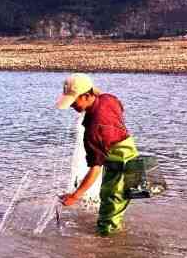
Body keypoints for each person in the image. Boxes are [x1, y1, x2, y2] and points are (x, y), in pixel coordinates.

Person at [56, 73, 138, 236]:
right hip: (130, 154)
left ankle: (108, 244)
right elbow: (120, 109)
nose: (72, 106)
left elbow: (95, 169)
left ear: (86, 96)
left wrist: (75, 196)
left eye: (74, 101)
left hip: (119, 165)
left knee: (109, 214)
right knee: (114, 203)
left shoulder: (94, 130)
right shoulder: (109, 99)